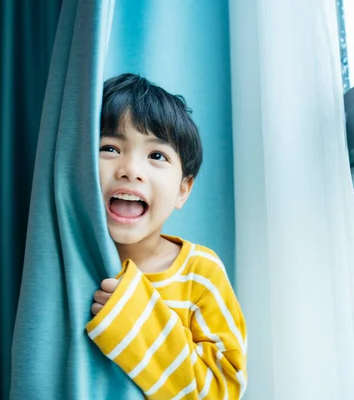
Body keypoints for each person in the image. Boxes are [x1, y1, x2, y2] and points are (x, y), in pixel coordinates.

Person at [86, 73, 247, 399]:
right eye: (109, 148)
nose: (130, 169)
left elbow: (223, 389)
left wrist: (135, 319)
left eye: (156, 156)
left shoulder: (200, 272)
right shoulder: (66, 258)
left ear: (182, 190)